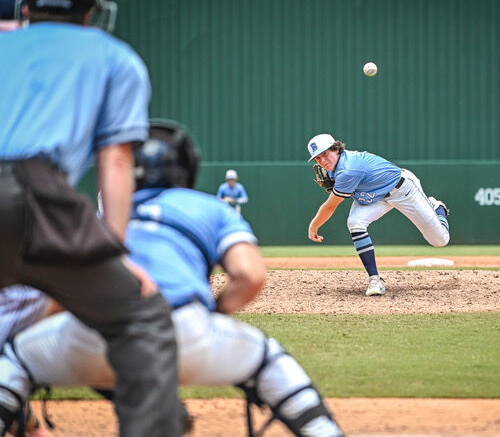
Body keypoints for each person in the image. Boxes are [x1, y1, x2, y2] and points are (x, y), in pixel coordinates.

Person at [2, 121, 346, 437]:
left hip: (90, 337)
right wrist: (214, 314)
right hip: (184, 332)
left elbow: (63, 292)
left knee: (14, 360)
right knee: (269, 360)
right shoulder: (209, 207)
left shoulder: (104, 216)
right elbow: (250, 276)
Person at [0, 0, 184, 436]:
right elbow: (117, 160)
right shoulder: (115, 57)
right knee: (140, 317)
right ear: (92, 12)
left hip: (29, 194)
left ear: (28, 7)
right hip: (34, 192)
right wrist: (115, 251)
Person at [307, 133, 451, 296]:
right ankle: (375, 279)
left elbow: (330, 206)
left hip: (402, 190)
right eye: (318, 158)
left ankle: (438, 208)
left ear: (336, 149)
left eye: (325, 154)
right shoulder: (336, 169)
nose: (322, 161)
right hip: (375, 196)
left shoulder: (348, 170)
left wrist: (314, 226)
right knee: (355, 222)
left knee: (440, 240)